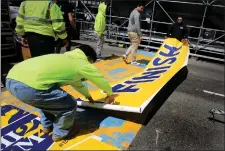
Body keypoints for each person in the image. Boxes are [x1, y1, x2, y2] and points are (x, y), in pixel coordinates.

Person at [6, 45, 115, 142]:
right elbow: (99, 79)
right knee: (69, 105)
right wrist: (110, 94)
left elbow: (77, 84)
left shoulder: (65, 59)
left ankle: (47, 126)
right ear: (89, 59)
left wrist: (88, 96)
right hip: (29, 88)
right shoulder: (82, 63)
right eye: (91, 63)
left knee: (48, 102)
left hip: (11, 79)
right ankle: (60, 133)